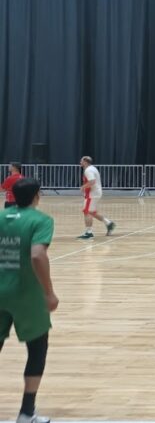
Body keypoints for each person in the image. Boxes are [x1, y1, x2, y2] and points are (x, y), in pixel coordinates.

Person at [0, 178, 59, 423]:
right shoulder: (41, 220)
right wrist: (49, 292)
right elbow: (37, 255)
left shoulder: (2, 218)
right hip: (26, 295)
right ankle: (26, 412)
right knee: (37, 350)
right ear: (36, 196)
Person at [77, 157, 115, 239]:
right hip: (96, 193)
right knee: (91, 212)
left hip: (92, 194)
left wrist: (83, 187)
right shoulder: (92, 168)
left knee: (87, 212)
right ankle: (108, 223)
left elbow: (92, 181)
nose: (80, 162)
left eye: (81, 161)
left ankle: (89, 232)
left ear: (85, 162)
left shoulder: (88, 170)